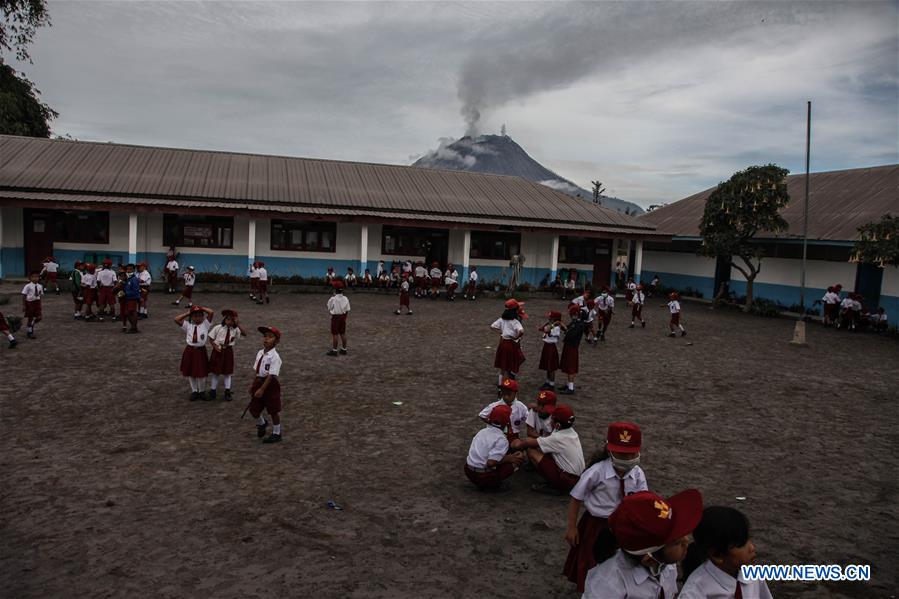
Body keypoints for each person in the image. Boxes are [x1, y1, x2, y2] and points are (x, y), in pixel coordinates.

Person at [564, 422, 647, 591]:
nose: (627, 459)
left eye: (631, 454)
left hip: (624, 527)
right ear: (609, 450)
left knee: (621, 561)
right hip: (597, 524)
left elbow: (643, 501)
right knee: (592, 559)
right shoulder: (597, 471)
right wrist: (572, 527)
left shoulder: (637, 474)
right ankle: (589, 590)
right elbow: (576, 497)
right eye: (621, 454)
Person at [582, 488, 704, 599]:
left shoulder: (666, 565)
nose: (687, 540)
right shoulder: (608, 585)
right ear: (649, 560)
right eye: (676, 542)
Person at [680, 506, 773, 599]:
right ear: (717, 555)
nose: (752, 547)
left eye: (748, 539)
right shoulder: (694, 593)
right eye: (741, 544)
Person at [511, 403, 584, 494]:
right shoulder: (571, 432)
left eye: (552, 418)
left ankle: (555, 485)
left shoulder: (557, 438)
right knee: (543, 449)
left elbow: (527, 443)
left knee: (531, 451)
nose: (550, 420)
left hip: (567, 481)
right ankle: (557, 482)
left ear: (557, 425)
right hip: (577, 478)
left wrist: (513, 443)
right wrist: (538, 408)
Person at [464, 404, 525, 492]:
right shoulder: (501, 439)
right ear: (507, 422)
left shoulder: (481, 431)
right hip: (484, 477)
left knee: (500, 456)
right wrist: (509, 458)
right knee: (518, 459)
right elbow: (490, 463)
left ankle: (483, 482)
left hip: (468, 472)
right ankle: (493, 485)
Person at [249, 326, 284, 444]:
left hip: (270, 385)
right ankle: (262, 423)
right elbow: (257, 370)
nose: (266, 339)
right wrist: (255, 384)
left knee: (273, 410)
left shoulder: (275, 357)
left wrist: (262, 389)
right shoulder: (260, 353)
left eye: (270, 337)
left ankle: (277, 433)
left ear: (276, 341)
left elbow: (271, 375)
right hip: (259, 381)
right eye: (265, 336)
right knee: (253, 409)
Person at [174, 305, 214, 401]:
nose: (197, 318)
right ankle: (194, 391)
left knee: (202, 372)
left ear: (203, 316)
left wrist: (201, 308)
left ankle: (202, 391)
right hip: (190, 350)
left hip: (200, 351)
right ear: (191, 317)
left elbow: (211, 312)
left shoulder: (205, 324)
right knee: (191, 372)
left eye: (200, 315)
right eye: (195, 316)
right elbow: (176, 319)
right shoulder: (188, 325)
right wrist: (188, 312)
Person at [208, 309, 245, 401]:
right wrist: (214, 346)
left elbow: (245, 333)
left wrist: (238, 324)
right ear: (224, 319)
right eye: (228, 319)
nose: (229, 322)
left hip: (228, 351)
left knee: (227, 372)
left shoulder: (235, 329)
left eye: (232, 320)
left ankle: (227, 391)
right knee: (216, 372)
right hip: (218, 351)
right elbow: (210, 338)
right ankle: (213, 391)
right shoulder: (218, 327)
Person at [478, 378, 529, 442]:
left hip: (513, 436)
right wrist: (492, 423)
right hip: (496, 435)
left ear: (516, 393)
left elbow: (529, 420)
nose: (506, 397)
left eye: (509, 394)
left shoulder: (521, 407)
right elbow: (482, 415)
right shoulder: (495, 405)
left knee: (519, 445)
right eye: (504, 393)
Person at [491, 299, 526, 387]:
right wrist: (516, 337)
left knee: (503, 366)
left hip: (503, 344)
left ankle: (500, 385)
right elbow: (521, 331)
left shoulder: (502, 319)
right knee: (512, 364)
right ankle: (510, 383)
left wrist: (501, 332)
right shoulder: (515, 322)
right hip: (511, 344)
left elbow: (492, 326)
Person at [559, 304, 588, 395]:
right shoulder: (576, 322)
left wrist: (565, 329)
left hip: (572, 347)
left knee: (571, 367)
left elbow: (570, 334)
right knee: (567, 366)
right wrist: (560, 324)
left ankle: (571, 388)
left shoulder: (580, 324)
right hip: (568, 346)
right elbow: (567, 328)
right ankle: (568, 384)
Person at [538, 310, 564, 389]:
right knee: (547, 366)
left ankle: (551, 384)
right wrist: (548, 323)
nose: (549, 318)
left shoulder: (556, 328)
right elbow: (541, 328)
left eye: (551, 317)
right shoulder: (550, 325)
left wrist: (553, 324)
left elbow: (547, 330)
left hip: (551, 347)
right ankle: (547, 382)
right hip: (546, 346)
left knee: (551, 367)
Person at [326, 280, 351, 356]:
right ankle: (344, 349)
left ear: (335, 290)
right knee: (342, 333)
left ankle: (334, 350)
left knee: (335, 334)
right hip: (343, 317)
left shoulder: (333, 299)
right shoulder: (346, 298)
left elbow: (329, 307)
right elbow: (347, 310)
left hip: (336, 317)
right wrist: (344, 318)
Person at [21, 271, 43, 339]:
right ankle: (30, 332)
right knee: (30, 318)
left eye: (37, 277)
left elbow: (40, 295)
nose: (35, 278)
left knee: (39, 317)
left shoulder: (40, 286)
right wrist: (24, 305)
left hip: (37, 302)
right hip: (29, 303)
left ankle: (30, 327)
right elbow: (24, 295)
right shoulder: (28, 286)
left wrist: (40, 304)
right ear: (30, 278)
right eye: (33, 277)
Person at [122, 263, 141, 333]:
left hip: (132, 298)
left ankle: (134, 328)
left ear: (133, 270)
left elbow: (135, 290)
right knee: (129, 313)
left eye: (130, 269)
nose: (128, 271)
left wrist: (126, 293)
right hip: (129, 298)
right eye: (127, 269)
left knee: (131, 313)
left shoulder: (134, 279)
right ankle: (134, 327)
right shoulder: (129, 279)